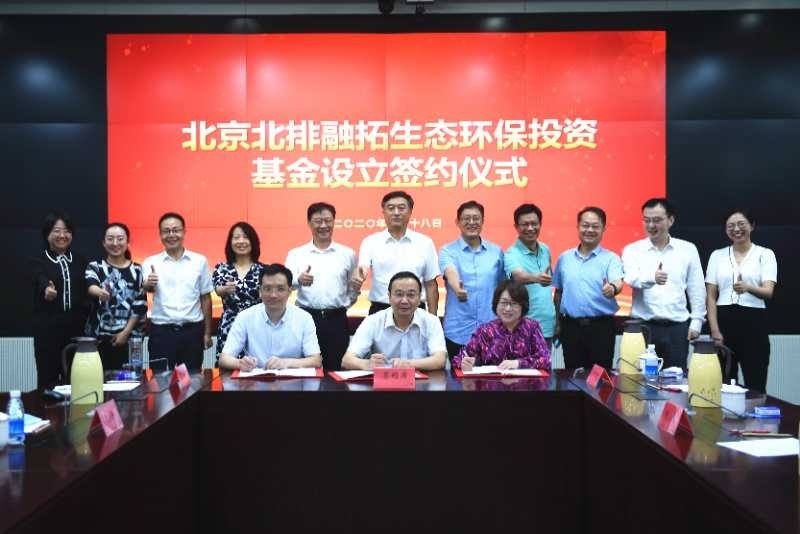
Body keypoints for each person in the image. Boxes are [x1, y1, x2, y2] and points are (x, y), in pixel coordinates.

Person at [622, 198, 706, 370]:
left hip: (677, 328)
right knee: (640, 379)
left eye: (657, 220)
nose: (651, 225)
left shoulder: (687, 249)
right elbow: (630, 278)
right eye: (647, 220)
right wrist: (652, 278)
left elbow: (696, 288)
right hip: (643, 327)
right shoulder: (632, 250)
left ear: (670, 220)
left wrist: (697, 321)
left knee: (675, 379)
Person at [705, 209, 777, 392]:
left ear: (751, 226)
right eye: (730, 226)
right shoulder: (717, 255)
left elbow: (768, 291)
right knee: (724, 383)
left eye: (741, 224)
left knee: (756, 383)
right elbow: (711, 296)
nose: (736, 229)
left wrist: (748, 288)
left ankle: (755, 411)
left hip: (754, 323)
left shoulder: (765, 254)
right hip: (724, 321)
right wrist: (714, 330)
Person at [285, 202, 357, 371]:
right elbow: (285, 284)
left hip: (337, 320)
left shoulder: (347, 254)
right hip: (306, 318)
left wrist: (343, 305)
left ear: (334, 222)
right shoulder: (296, 254)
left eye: (328, 220)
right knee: (305, 369)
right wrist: (298, 280)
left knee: (337, 369)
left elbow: (353, 288)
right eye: (318, 221)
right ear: (309, 223)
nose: (323, 225)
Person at [553, 207, 623, 370]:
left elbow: (618, 282)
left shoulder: (611, 258)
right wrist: (556, 322)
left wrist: (612, 288)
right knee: (572, 376)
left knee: (600, 377)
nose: (590, 230)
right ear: (578, 227)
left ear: (603, 229)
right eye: (585, 225)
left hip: (601, 328)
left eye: (595, 226)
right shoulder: (564, 258)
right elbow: (559, 292)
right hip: (571, 327)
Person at [142, 212, 213, 370]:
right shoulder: (150, 262)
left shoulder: (199, 261)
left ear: (184, 231)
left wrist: (207, 333)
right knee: (160, 379)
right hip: (161, 333)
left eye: (176, 230)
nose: (171, 235)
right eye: (166, 231)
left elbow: (205, 298)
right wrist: (148, 284)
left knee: (191, 380)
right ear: (160, 234)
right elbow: (147, 288)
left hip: (192, 332)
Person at [350, 191, 440, 315]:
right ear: (383, 212)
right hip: (381, 309)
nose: (396, 212)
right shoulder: (370, 242)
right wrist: (359, 275)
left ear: (410, 211)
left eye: (401, 208)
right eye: (391, 208)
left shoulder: (425, 243)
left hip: (416, 310)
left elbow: (431, 284)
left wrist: (433, 318)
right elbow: (362, 268)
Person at [218, 263, 321, 371]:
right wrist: (240, 363)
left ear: (289, 291)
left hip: (292, 379)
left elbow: (315, 360)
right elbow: (224, 359)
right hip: (256, 379)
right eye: (267, 289)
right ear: (260, 291)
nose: (273, 295)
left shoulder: (304, 318)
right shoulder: (245, 316)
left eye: (280, 289)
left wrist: (286, 363)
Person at [439, 200, 504, 363]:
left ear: (483, 221)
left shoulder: (496, 252)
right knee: (459, 377)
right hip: (458, 330)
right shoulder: (448, 251)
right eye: (466, 218)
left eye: (476, 218)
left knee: (491, 376)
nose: (471, 222)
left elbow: (503, 287)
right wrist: (457, 288)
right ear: (457, 222)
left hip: (491, 329)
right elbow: (450, 271)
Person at [341, 271, 446, 370]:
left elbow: (440, 360)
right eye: (399, 294)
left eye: (411, 295)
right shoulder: (373, 321)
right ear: (389, 297)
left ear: (419, 299)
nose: (404, 301)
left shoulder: (431, 321)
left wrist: (408, 364)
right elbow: (347, 360)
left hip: (421, 381)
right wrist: (367, 364)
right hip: (383, 381)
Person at [31, 211, 89, 388]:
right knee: (48, 380)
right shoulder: (38, 260)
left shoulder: (80, 261)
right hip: (48, 330)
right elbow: (40, 278)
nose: (62, 235)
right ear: (47, 234)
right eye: (56, 231)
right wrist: (47, 290)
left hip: (76, 330)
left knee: (76, 379)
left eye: (67, 231)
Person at [84, 222, 147, 370]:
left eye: (120, 239)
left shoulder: (138, 270)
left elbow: (140, 306)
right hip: (100, 339)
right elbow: (90, 286)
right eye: (110, 238)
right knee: (100, 378)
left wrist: (125, 332)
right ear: (104, 243)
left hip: (132, 340)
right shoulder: (95, 267)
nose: (115, 243)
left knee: (132, 379)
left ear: (127, 242)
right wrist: (100, 292)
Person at [452, 280, 551, 371]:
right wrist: (465, 363)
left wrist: (518, 363)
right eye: (503, 303)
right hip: (490, 383)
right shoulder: (485, 331)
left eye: (514, 303)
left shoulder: (532, 328)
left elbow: (545, 359)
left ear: (523, 306)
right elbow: (458, 359)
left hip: (527, 383)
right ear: (496, 304)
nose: (507, 308)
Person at [504, 203, 556, 344]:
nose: (530, 228)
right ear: (516, 227)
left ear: (540, 224)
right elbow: (518, 276)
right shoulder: (511, 254)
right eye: (525, 224)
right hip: (522, 328)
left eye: (534, 224)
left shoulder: (545, 249)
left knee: (546, 359)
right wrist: (536, 278)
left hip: (547, 325)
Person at [212, 222, 264, 356]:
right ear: (230, 242)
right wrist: (225, 289)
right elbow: (218, 290)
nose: (241, 241)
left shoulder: (264, 270)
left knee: (257, 364)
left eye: (245, 237)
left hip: (257, 326)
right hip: (230, 326)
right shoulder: (221, 268)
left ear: (253, 241)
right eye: (236, 237)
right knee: (228, 365)